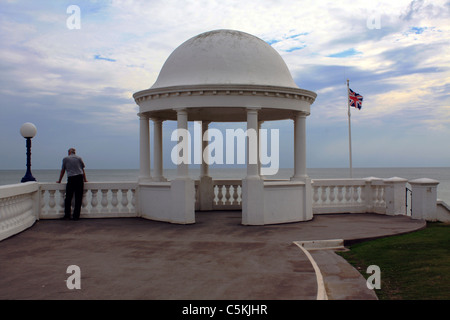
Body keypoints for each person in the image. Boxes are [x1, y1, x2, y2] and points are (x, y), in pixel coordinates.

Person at [57, 148, 88, 220]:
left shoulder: (65, 159)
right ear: (74, 152)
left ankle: (67, 215)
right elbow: (82, 169)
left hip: (71, 179)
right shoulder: (79, 158)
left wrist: (59, 180)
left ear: (69, 152)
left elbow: (63, 170)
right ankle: (76, 216)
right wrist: (85, 180)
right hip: (79, 178)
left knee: (68, 198)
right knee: (78, 198)